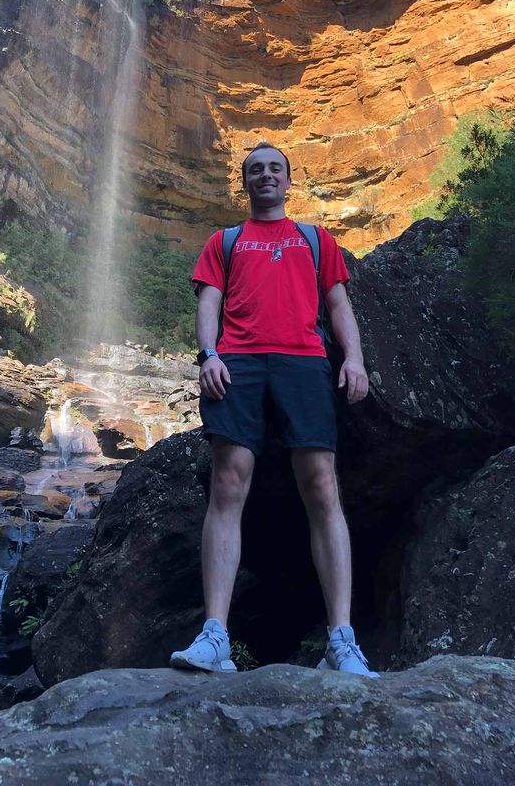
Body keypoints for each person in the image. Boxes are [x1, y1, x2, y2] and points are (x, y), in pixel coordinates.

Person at [169, 142, 379, 678]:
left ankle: (341, 638)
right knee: (228, 483)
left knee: (322, 485)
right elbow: (208, 303)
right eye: (255, 169)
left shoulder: (315, 239)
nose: (266, 176)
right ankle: (215, 637)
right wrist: (209, 355)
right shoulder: (225, 241)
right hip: (238, 362)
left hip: (304, 361)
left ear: (289, 181)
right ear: (245, 183)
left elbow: (338, 305)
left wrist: (353, 358)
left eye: (275, 169)